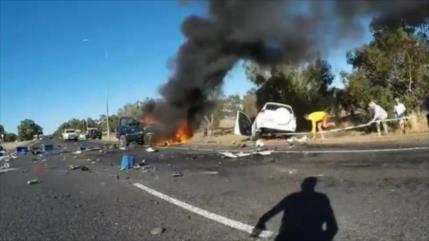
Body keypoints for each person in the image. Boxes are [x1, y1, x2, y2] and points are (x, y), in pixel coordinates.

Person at [251, 177, 338, 241]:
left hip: (288, 235)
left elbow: (274, 210)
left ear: (302, 185)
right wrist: (327, 236)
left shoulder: (292, 197)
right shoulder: (321, 199)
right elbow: (331, 222)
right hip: (313, 235)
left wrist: (261, 222)